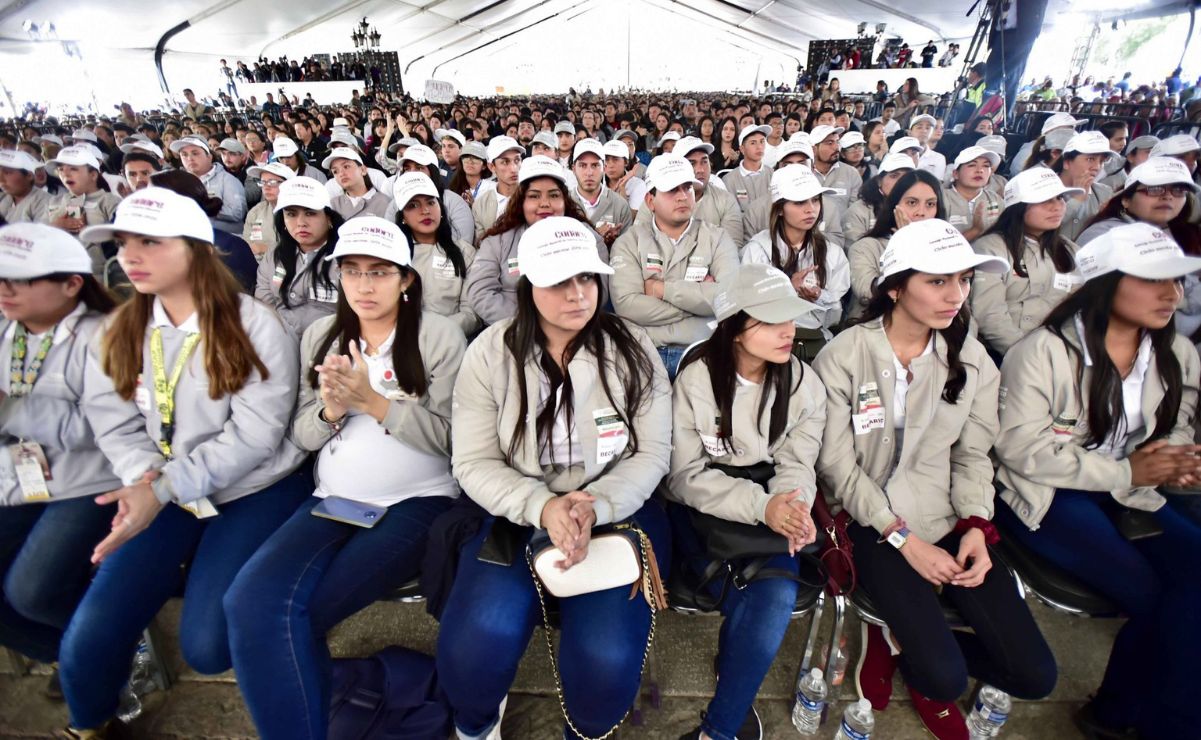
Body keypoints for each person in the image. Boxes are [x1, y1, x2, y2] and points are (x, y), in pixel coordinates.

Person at [65, 188, 309, 738]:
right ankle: (92, 723)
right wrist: (144, 478)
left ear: (196, 249)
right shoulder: (123, 325)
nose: (130, 255)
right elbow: (115, 420)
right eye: (123, 242)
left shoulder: (254, 325)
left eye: (150, 241)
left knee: (207, 644)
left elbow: (254, 437)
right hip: (165, 485)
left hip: (253, 488)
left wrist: (164, 486)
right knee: (91, 632)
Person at [225, 217, 464, 740]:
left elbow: (454, 440)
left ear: (406, 280)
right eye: (352, 271)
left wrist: (375, 404)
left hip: (418, 502)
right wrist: (332, 411)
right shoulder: (322, 335)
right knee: (246, 600)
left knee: (296, 614)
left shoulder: (440, 336)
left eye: (379, 272)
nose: (364, 285)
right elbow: (305, 435)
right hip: (334, 498)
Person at [815, 219, 1056, 738]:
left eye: (964, 280)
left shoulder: (970, 360)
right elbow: (837, 466)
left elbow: (973, 455)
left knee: (1035, 675)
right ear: (895, 287)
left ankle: (905, 641)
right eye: (938, 281)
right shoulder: (845, 355)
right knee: (943, 677)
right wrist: (902, 538)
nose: (956, 295)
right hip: (869, 519)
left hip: (945, 512)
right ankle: (903, 645)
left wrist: (975, 526)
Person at [436, 216, 672, 740]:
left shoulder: (632, 347)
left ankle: (585, 730)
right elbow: (473, 461)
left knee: (606, 661)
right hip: (518, 512)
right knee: (475, 644)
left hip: (616, 510)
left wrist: (596, 505)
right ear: (528, 286)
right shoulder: (491, 354)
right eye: (559, 281)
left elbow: (652, 452)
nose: (577, 294)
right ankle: (476, 723)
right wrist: (543, 507)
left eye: (587, 278)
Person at [992, 222, 1201, 739]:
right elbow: (1022, 450)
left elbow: (1182, 407)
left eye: (1176, 281)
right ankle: (1141, 719)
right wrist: (1128, 469)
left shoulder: (1174, 351)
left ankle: (1134, 714)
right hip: (1048, 493)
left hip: (1131, 487)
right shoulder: (1043, 352)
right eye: (1154, 280)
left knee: (1193, 581)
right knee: (1155, 597)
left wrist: (1171, 452)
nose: (1172, 294)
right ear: (1106, 282)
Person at [666, 262, 826, 740]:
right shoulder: (697, 380)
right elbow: (684, 475)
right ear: (735, 328)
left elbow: (798, 463)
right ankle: (732, 690)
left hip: (769, 505)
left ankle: (720, 729)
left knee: (772, 594)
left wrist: (792, 509)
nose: (787, 331)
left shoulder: (801, 383)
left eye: (790, 317)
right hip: (703, 509)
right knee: (742, 591)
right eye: (771, 320)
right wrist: (762, 508)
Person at [0, 224, 119, 670]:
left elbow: (103, 429)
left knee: (31, 590)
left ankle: (107, 647)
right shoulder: (8, 332)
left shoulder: (105, 336)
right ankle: (77, 658)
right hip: (20, 476)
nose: (6, 290)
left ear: (71, 284)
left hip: (93, 479)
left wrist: (11, 409)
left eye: (23, 279)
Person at [611, 154, 740, 378]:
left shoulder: (717, 238)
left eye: (687, 187)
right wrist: (699, 305)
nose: (682, 196)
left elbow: (729, 297)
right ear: (650, 201)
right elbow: (627, 306)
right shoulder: (629, 242)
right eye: (672, 189)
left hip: (703, 352)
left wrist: (662, 290)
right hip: (642, 353)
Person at [466, 155, 601, 327]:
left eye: (553, 195)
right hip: (514, 331)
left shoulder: (587, 237)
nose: (545, 204)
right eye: (534, 196)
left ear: (564, 200)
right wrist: (531, 325)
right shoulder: (497, 242)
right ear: (521, 201)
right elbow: (480, 293)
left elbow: (599, 288)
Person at [970, 168, 1083, 358]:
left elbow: (1081, 308)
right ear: (1019, 207)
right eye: (1045, 200)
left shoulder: (1071, 251)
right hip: (1006, 354)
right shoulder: (990, 248)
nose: (1057, 207)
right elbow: (990, 315)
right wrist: (1031, 357)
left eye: (1060, 198)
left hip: (1062, 352)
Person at [742, 165, 849, 347]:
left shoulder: (831, 253)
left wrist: (819, 296)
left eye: (815, 200)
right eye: (799, 202)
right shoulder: (757, 250)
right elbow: (749, 309)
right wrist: (787, 289)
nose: (811, 209)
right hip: (767, 341)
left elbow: (835, 317)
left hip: (815, 342)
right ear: (780, 209)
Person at [392, 172, 480, 337]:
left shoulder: (465, 253)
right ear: (403, 216)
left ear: (441, 208)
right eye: (413, 205)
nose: (425, 211)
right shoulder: (392, 256)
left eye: (431, 202)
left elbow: (472, 313)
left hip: (450, 342)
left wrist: (435, 332)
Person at [848, 170, 945, 318]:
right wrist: (907, 243)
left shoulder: (946, 248)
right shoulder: (866, 247)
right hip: (874, 329)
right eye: (912, 203)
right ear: (895, 205)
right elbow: (868, 293)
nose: (921, 212)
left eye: (930, 204)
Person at [255, 177, 344, 339]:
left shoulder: (345, 258)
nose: (301, 223)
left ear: (328, 218)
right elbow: (264, 303)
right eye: (291, 214)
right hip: (279, 340)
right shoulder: (275, 255)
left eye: (310, 213)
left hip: (331, 344)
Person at [636, 136, 744, 249]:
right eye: (691, 163)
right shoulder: (655, 200)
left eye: (704, 161)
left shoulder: (726, 201)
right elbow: (639, 243)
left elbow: (732, 248)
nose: (700, 169)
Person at [391, 144, 476, 243]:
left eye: (419, 168)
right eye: (407, 169)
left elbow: (464, 246)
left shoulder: (455, 202)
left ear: (433, 172)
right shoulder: (395, 204)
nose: (412, 173)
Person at [570, 138, 633, 247]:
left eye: (595, 165)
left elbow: (627, 250)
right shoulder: (564, 203)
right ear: (573, 169)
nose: (589, 173)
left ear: (604, 168)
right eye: (582, 165)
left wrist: (614, 243)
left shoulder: (620, 205)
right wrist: (596, 236)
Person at [1054, 131, 1116, 241]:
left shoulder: (1104, 193)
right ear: (1067, 162)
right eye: (1090, 159)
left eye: (1102, 161)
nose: (1097, 167)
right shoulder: (1044, 189)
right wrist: (1076, 200)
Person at [841, 153, 914, 245]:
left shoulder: (922, 210)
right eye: (894, 176)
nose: (901, 182)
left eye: (907, 177)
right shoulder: (859, 212)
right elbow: (855, 250)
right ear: (879, 181)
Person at [808, 125, 862, 236]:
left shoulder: (851, 173)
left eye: (837, 142)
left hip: (841, 236)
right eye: (829, 143)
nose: (836, 147)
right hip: (808, 235)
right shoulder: (804, 174)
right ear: (814, 149)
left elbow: (855, 213)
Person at [942, 146, 1003, 240]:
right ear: (955, 174)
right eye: (972, 165)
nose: (980, 170)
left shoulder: (995, 199)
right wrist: (976, 230)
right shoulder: (941, 199)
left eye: (986, 166)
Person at [471, 136, 524, 243]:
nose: (514, 169)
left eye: (517, 160)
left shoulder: (532, 197)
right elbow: (481, 243)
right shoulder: (481, 205)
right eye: (505, 162)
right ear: (492, 167)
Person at [243, 162, 293, 261]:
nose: (266, 187)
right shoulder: (256, 212)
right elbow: (247, 246)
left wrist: (265, 248)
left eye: (272, 182)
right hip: (258, 267)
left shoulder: (299, 213)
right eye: (263, 182)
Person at [324, 148, 392, 220]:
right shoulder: (333, 205)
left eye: (346, 167)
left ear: (363, 170)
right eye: (335, 171)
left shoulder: (385, 203)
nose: (341, 174)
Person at [721, 125, 772, 207]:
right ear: (742, 149)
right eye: (753, 143)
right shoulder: (729, 180)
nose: (759, 147)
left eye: (762, 141)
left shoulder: (773, 175)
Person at [0, 150, 50, 223]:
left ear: (29, 175)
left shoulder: (45, 202)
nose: (1, 179)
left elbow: (40, 232)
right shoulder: (3, 197)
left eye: (7, 173)